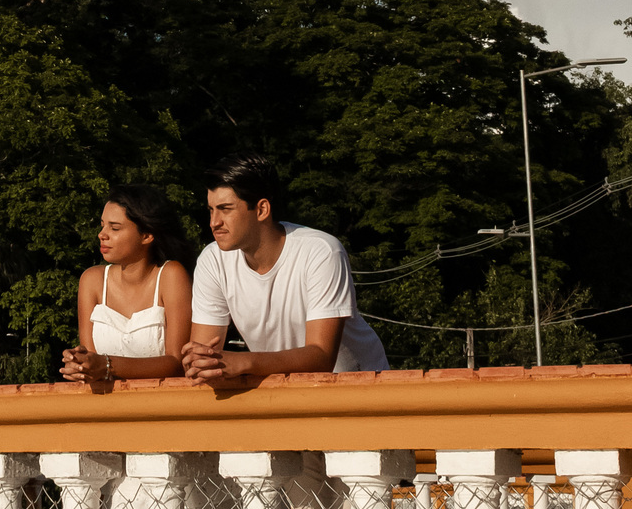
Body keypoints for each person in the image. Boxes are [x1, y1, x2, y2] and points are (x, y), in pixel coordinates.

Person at [182, 152, 388, 384]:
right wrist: (199, 363)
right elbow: (203, 355)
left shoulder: (321, 251)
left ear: (262, 210)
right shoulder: (212, 260)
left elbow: (321, 357)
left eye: (225, 209)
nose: (214, 222)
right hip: (285, 391)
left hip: (362, 389)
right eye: (211, 210)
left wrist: (245, 362)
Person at [61, 184, 194, 383]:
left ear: (147, 235)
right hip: (105, 399)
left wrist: (107, 365)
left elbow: (177, 362)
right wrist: (78, 363)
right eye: (102, 225)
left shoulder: (171, 275)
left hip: (161, 399)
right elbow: (91, 360)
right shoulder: (91, 280)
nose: (102, 234)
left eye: (114, 228)